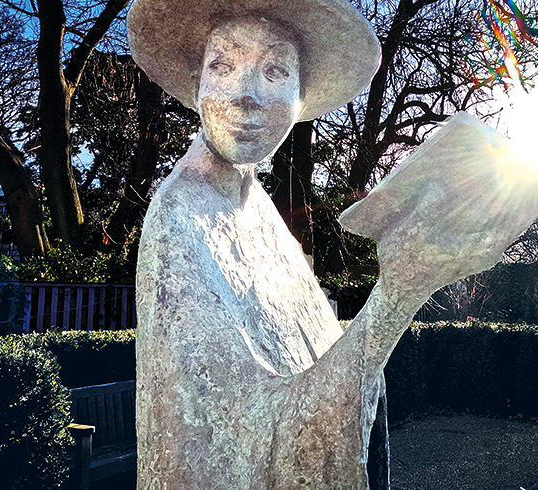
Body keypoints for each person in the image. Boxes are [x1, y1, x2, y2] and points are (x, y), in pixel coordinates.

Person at [127, 0, 382, 487]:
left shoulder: (264, 216)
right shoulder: (178, 216)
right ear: (198, 84)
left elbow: (317, 358)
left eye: (275, 71)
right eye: (222, 65)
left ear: (300, 97)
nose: (245, 95)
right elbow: (250, 429)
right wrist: (399, 294)